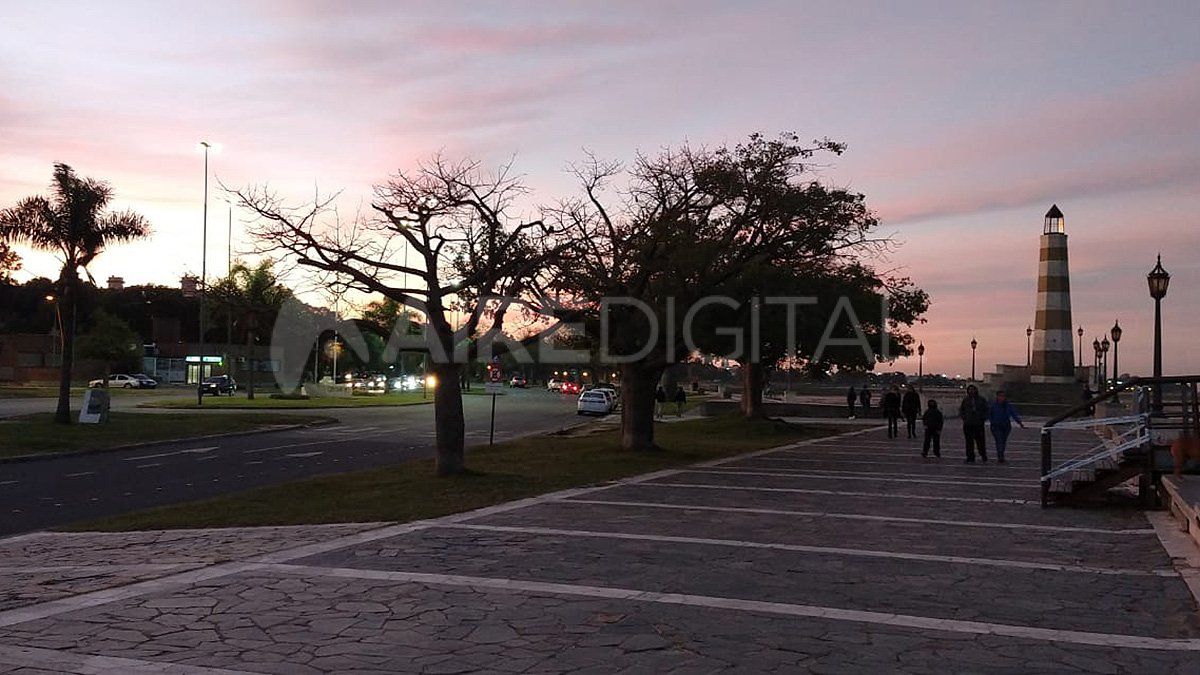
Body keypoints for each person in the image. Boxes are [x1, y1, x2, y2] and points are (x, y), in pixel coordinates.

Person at [988, 390, 1025, 463]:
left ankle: (1001, 454)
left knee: (1003, 441)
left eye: (1003, 396)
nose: (1002, 398)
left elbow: (1014, 414)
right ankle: (1000, 456)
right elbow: (989, 414)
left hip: (1006, 426)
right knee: (999, 441)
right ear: (997, 396)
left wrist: (1019, 422)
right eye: (1000, 396)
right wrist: (992, 421)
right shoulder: (993, 405)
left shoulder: (1008, 405)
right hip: (996, 426)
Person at [959, 384, 989, 463]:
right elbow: (962, 409)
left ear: (976, 390)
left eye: (973, 389)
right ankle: (970, 457)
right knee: (969, 442)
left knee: (980, 441)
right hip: (968, 424)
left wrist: (983, 418)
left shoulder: (981, 399)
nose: (971, 391)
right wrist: (964, 418)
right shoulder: (965, 400)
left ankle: (983, 455)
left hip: (978, 423)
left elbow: (986, 409)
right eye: (970, 390)